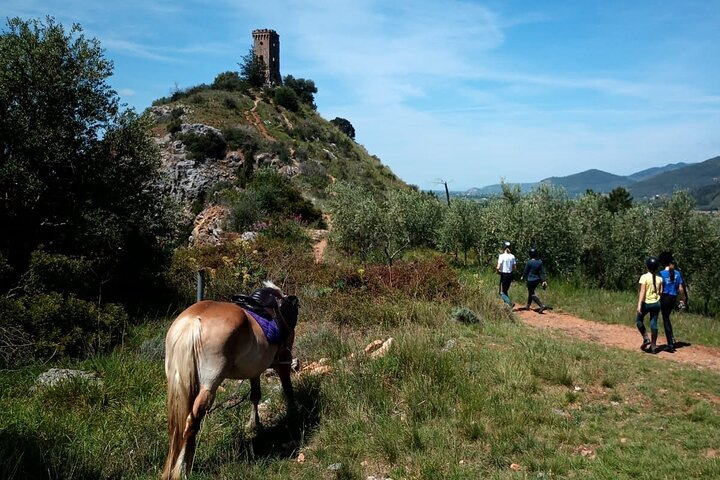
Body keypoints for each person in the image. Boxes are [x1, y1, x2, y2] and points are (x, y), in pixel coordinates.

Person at [658, 252, 687, 353]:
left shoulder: (661, 274)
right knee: (667, 318)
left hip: (665, 298)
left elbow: (659, 289)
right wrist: (682, 299)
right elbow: (681, 289)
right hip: (673, 298)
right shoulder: (677, 273)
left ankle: (670, 344)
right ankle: (671, 339)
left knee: (666, 319)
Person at [636, 256, 664, 354]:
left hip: (646, 303)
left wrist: (639, 304)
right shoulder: (660, 279)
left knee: (639, 320)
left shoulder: (644, 277)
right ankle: (653, 346)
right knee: (654, 322)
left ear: (647, 266)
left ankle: (645, 338)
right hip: (656, 303)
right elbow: (661, 292)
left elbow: (642, 292)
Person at [520, 247, 548, 313]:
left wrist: (522, 277)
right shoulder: (540, 262)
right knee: (531, 292)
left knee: (532, 294)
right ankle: (528, 306)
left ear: (530, 254)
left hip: (530, 280)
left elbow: (526, 271)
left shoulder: (529, 262)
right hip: (537, 280)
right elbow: (542, 272)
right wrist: (543, 280)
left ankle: (541, 305)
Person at [496, 241, 516, 306]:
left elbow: (498, 267)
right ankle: (506, 306)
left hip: (503, 275)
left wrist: (498, 272)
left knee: (501, 293)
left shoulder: (501, 256)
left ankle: (510, 303)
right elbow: (514, 267)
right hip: (510, 275)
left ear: (504, 247)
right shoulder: (512, 256)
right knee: (505, 290)